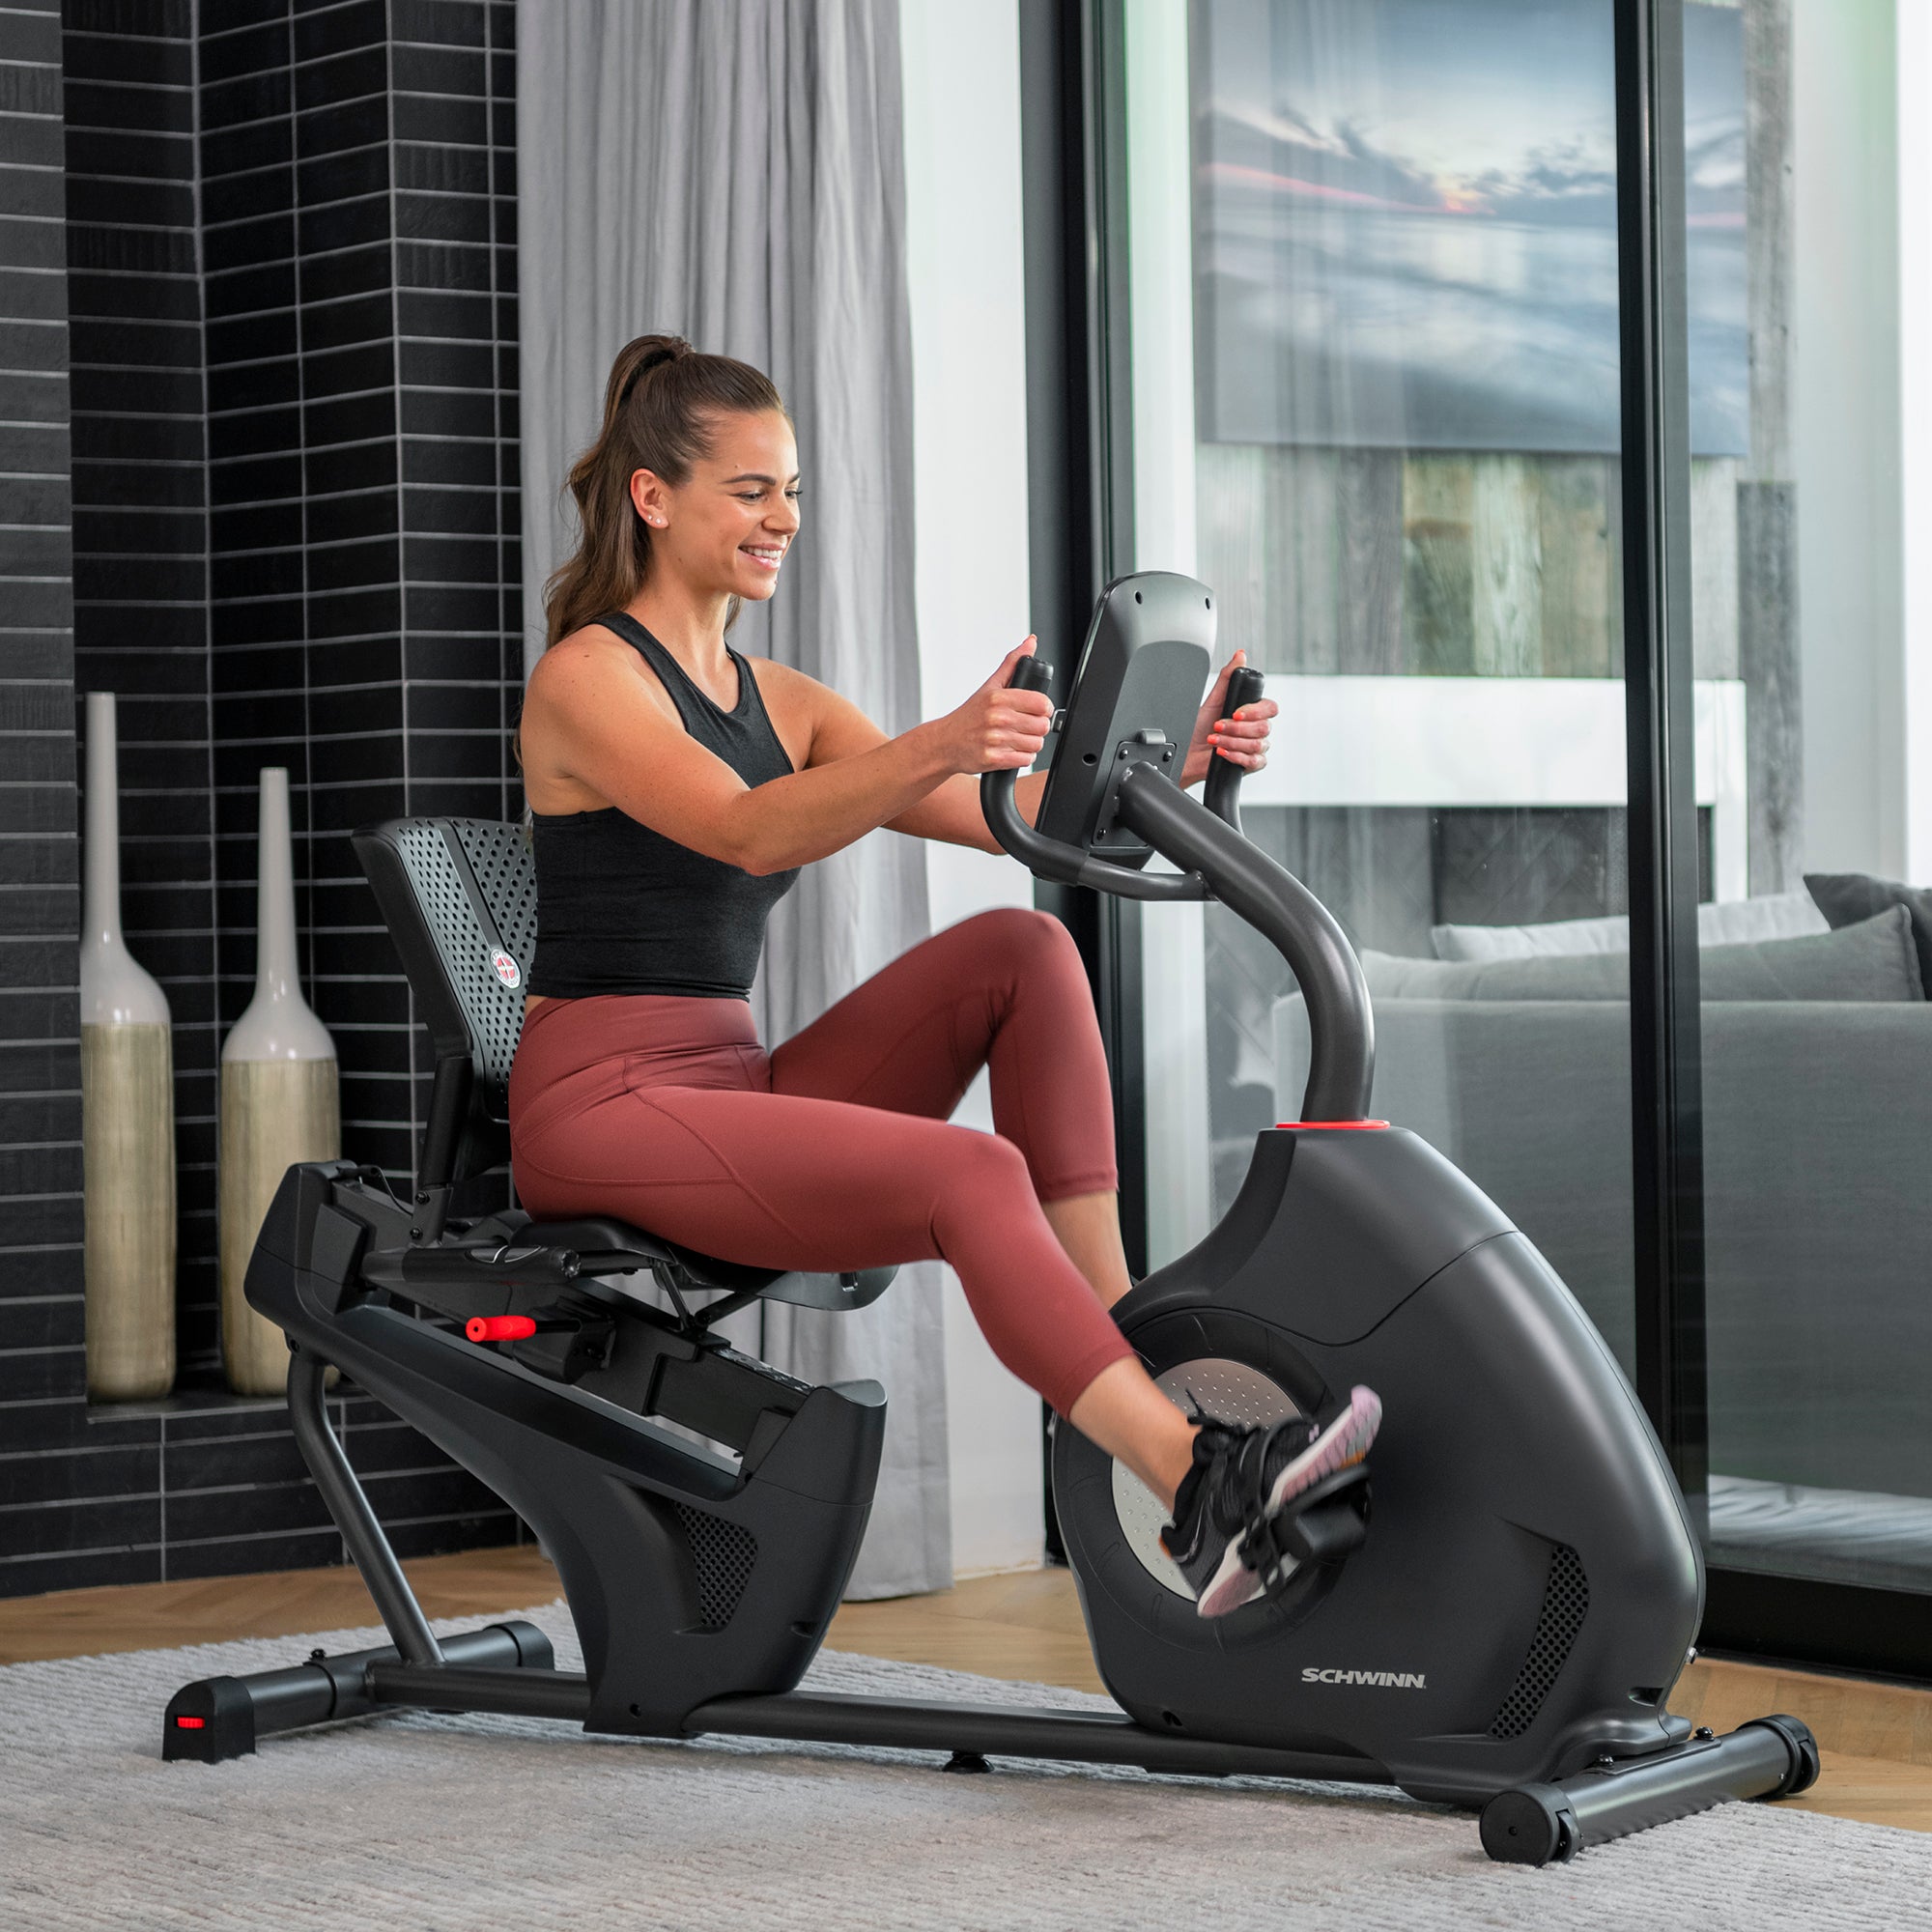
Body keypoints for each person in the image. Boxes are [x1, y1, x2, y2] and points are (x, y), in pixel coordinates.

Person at [507, 333, 1380, 1618]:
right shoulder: (587, 679)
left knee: (1024, 947)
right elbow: (751, 828)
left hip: (727, 1084)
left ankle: (1127, 1341)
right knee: (976, 1171)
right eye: (752, 491)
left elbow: (1021, 822)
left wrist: (1179, 769)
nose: (783, 519)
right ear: (655, 498)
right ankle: (1198, 1491)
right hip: (600, 1106)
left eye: (793, 490)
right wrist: (938, 741)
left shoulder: (778, 696)